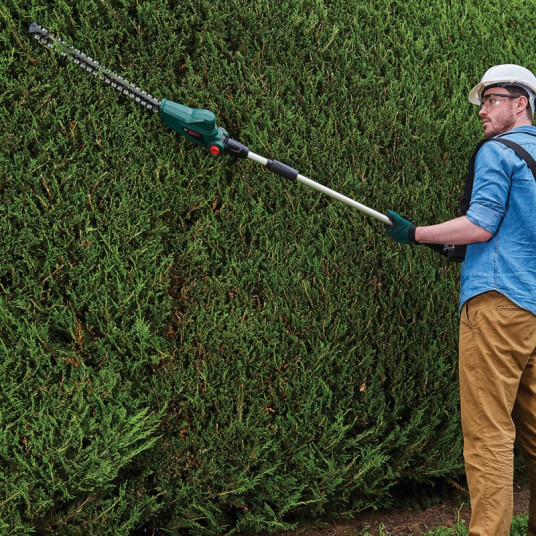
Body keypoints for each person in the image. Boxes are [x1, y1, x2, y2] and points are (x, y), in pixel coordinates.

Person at [386, 64, 536, 536]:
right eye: (483, 102)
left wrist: (415, 233)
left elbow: (482, 224)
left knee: (489, 433)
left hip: (496, 305)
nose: (483, 111)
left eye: (492, 99)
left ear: (521, 102)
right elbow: (509, 229)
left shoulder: (498, 152)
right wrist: (446, 243)